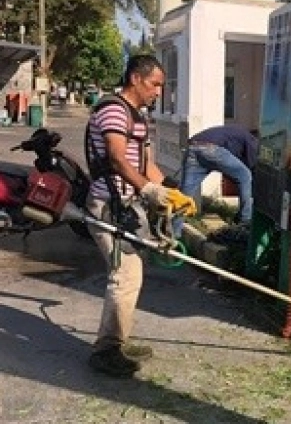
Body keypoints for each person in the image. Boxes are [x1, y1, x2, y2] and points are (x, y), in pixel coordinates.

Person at [85, 54, 196, 378]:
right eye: (155, 84)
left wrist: (173, 192)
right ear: (135, 78)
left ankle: (115, 341)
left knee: (131, 274)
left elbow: (146, 166)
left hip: (126, 205)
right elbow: (118, 160)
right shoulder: (113, 111)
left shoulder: (137, 117)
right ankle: (106, 350)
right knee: (125, 275)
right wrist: (149, 191)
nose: (159, 91)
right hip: (108, 205)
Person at [179, 125, 258, 225]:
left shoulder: (234, 135)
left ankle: (173, 230)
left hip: (192, 148)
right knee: (246, 176)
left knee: (185, 195)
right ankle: (245, 220)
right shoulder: (251, 139)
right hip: (211, 149)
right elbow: (252, 168)